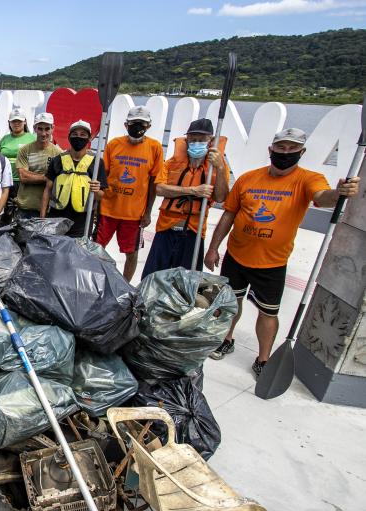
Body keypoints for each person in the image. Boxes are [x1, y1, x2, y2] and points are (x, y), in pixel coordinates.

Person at [204, 128, 359, 376]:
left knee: (268, 313)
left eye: (292, 148)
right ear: (271, 150)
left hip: (271, 263)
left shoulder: (307, 179)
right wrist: (213, 248)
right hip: (237, 254)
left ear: (301, 152)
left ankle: (263, 358)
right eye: (281, 147)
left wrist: (339, 193)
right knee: (232, 302)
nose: (285, 153)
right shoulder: (248, 178)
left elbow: (324, 197)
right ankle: (227, 338)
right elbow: (229, 214)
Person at [142, 118, 229, 278]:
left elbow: (221, 196)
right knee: (152, 276)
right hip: (166, 229)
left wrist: (220, 167)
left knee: (186, 281)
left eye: (201, 139)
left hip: (193, 232)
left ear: (210, 140)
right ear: (187, 139)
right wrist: (194, 191)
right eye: (193, 139)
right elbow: (160, 188)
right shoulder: (172, 163)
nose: (196, 143)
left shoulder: (216, 168)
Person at [97, 106, 167, 282]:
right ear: (126, 124)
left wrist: (148, 212)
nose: (138, 127)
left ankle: (124, 286)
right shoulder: (114, 144)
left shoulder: (155, 148)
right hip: (107, 209)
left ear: (148, 126)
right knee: (96, 249)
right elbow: (102, 175)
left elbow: (154, 182)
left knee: (132, 253)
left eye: (142, 124)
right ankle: (95, 280)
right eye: (134, 123)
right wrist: (97, 204)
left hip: (134, 214)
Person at [41, 120, 107, 238]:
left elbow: (101, 196)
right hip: (56, 219)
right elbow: (47, 190)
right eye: (75, 134)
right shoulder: (57, 160)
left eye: (83, 135)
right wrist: (42, 218)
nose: (78, 137)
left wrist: (96, 190)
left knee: (77, 254)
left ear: (89, 138)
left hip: (82, 222)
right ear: (69, 137)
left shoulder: (97, 163)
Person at [15, 112, 63, 219]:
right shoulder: (24, 150)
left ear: (52, 128)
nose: (43, 133)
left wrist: (31, 174)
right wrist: (47, 177)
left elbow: (58, 181)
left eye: (47, 129)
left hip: (48, 209)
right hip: (25, 207)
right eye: (40, 128)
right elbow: (23, 176)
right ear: (34, 128)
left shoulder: (58, 153)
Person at [0, 108, 36, 222]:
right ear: (9, 123)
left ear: (25, 122)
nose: (16, 123)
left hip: (23, 182)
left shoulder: (32, 138)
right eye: (13, 121)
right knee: (5, 215)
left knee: (22, 214)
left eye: (19, 121)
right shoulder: (4, 139)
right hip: (5, 183)